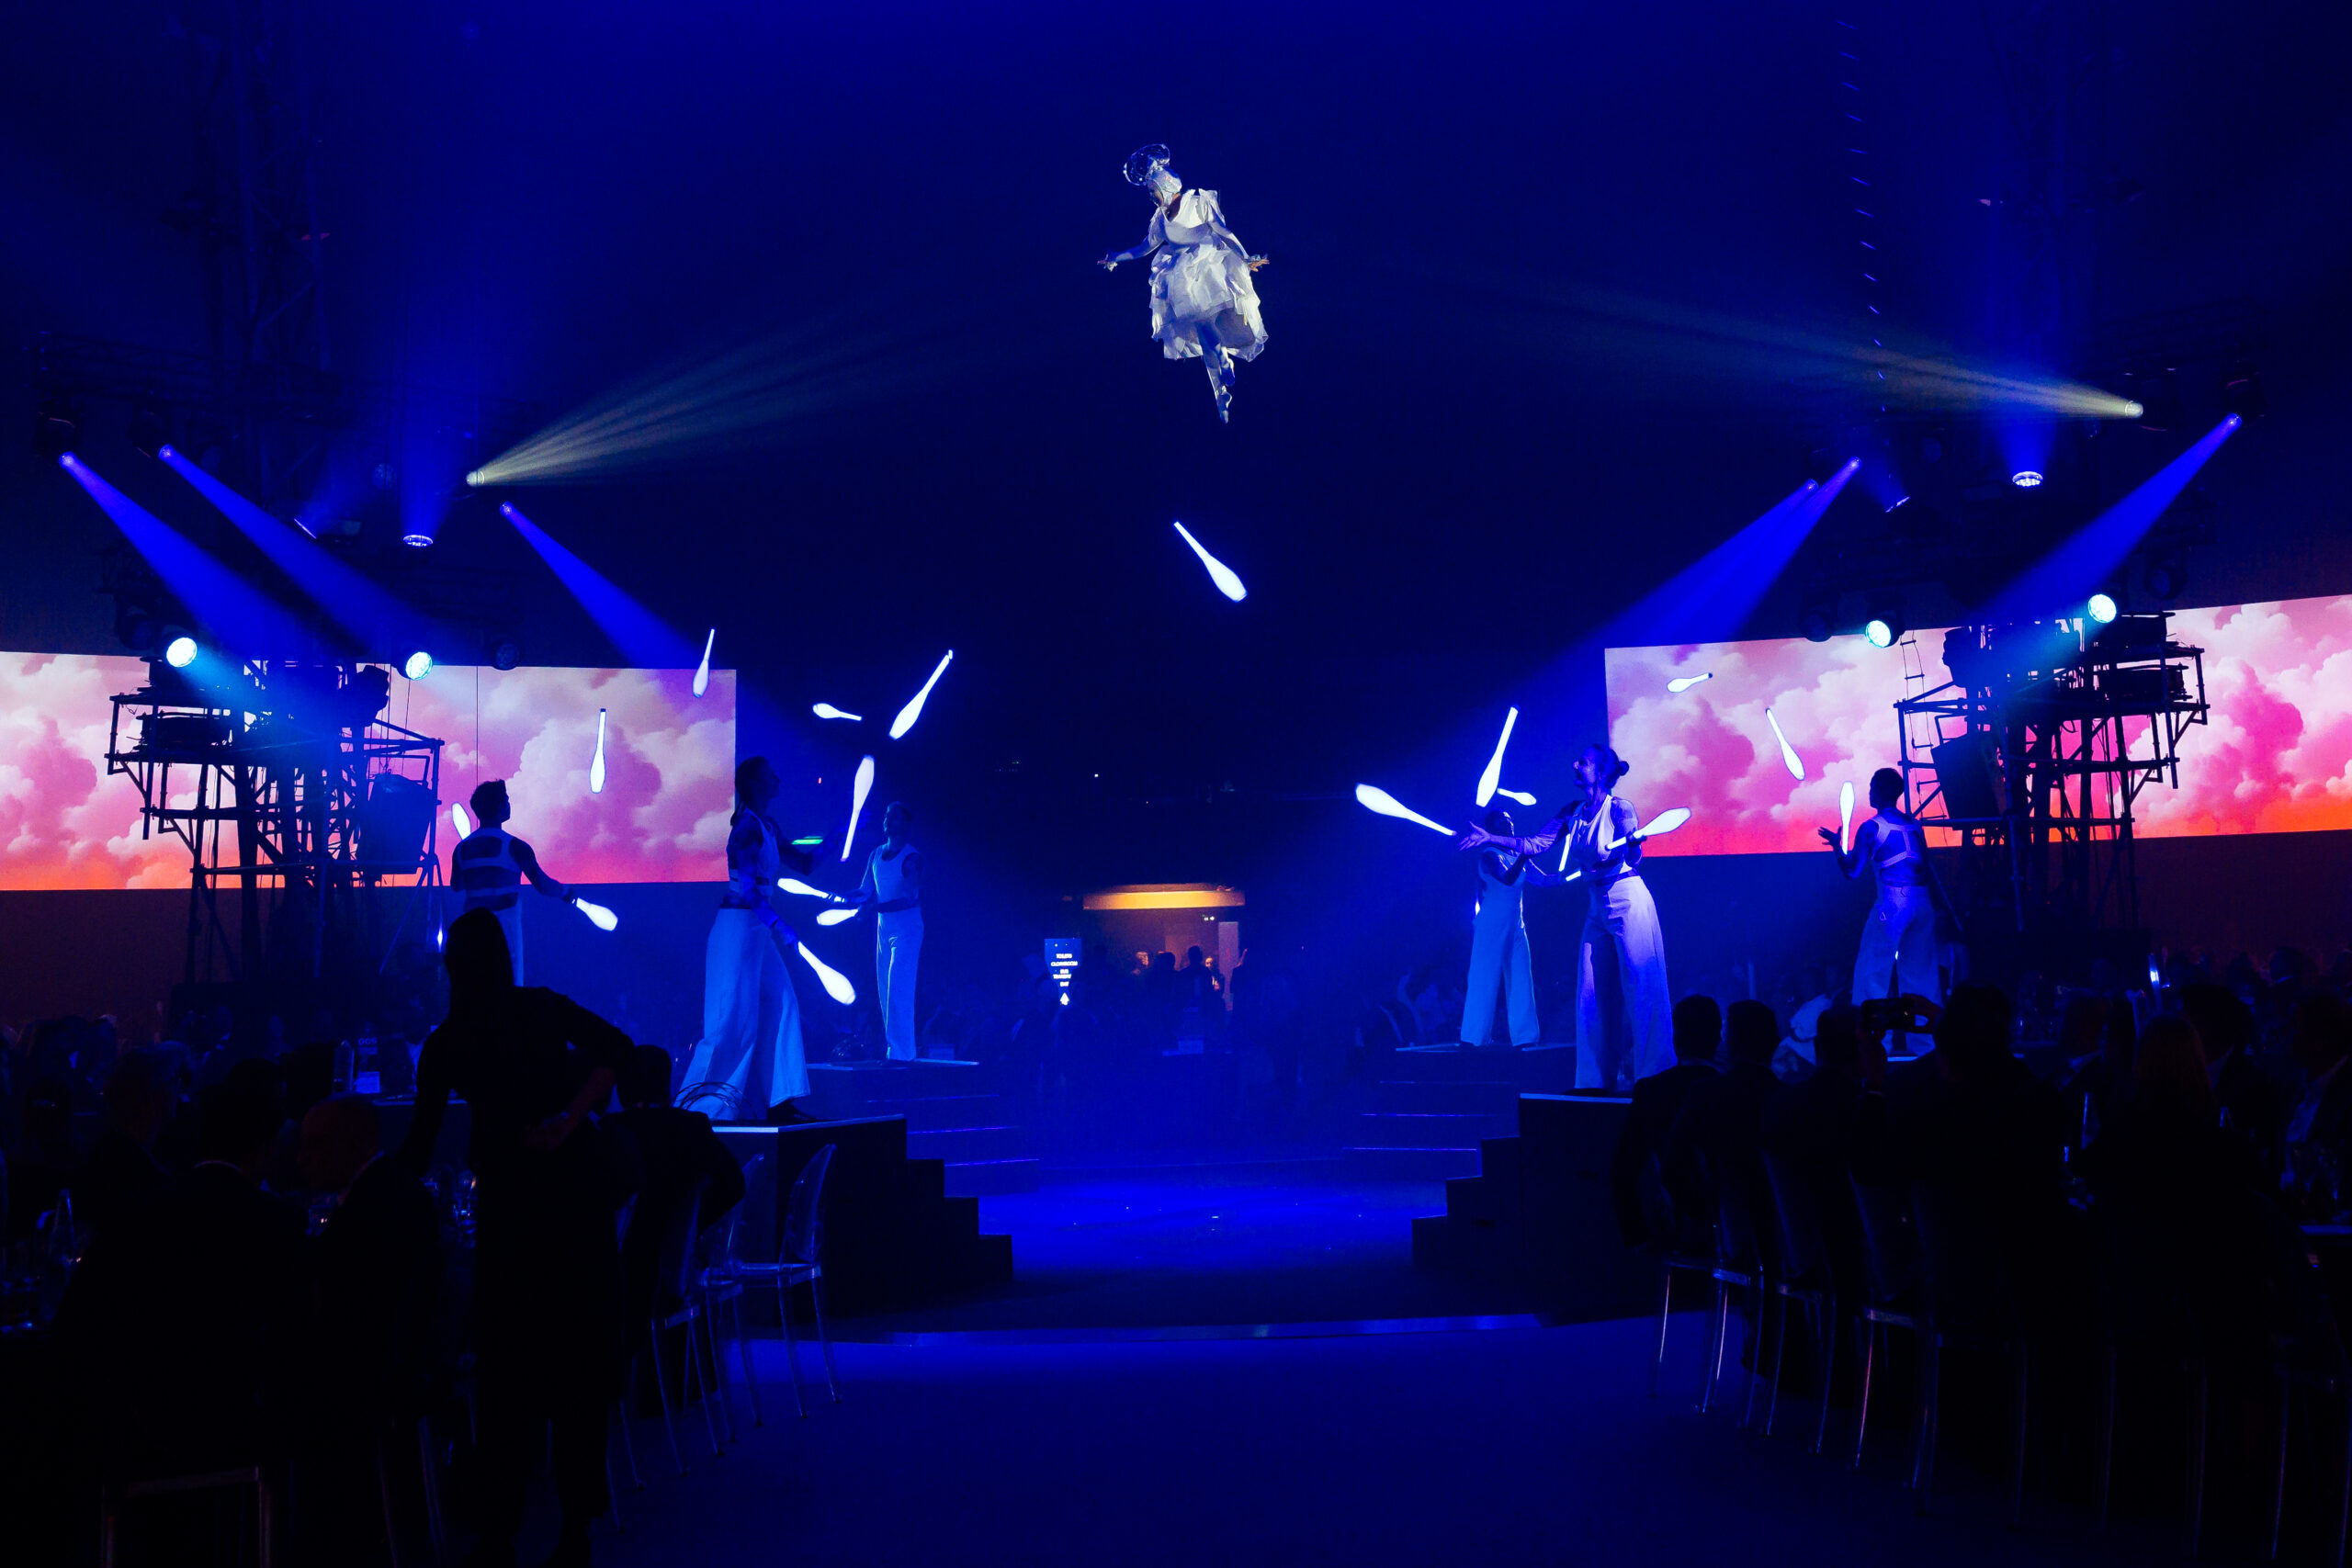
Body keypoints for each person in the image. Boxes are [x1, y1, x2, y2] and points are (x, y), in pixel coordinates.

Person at [399, 908, 634, 1568]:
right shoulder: (542, 1008)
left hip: (511, 1207)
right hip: (576, 1198)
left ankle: (499, 1532)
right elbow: (620, 1049)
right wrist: (568, 1118)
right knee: (578, 1364)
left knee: (507, 1371)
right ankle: (575, 1532)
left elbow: (418, 1147)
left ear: (453, 967)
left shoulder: (448, 1042)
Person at [1460, 742, 1673, 1090]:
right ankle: (1594, 1082)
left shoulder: (1620, 809)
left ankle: (1655, 1077)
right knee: (1590, 995)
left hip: (1627, 897)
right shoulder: (1572, 812)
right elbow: (1535, 844)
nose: (1576, 764)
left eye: (1583, 762)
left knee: (1641, 985)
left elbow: (1634, 859)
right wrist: (1490, 837)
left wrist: (1632, 843)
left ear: (1599, 772)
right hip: (1596, 904)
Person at [297, 1094, 445, 1560]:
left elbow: (344, 1317)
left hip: (368, 1381)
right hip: (405, 1368)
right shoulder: (398, 1191)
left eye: (317, 1144)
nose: (304, 1158)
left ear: (356, 1143)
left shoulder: (368, 1211)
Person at [682, 757, 818, 1123]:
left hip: (756, 928)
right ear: (757, 784)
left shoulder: (767, 826)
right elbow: (746, 889)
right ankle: (699, 1108)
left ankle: (780, 1101)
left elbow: (805, 864)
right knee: (731, 1022)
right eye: (771, 775)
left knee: (782, 1003)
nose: (778, 779)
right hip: (739, 928)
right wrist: (780, 925)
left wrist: (840, 834)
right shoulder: (746, 827)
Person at [1098, 143, 1270, 423]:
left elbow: (1223, 231)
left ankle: (1223, 366)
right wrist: (1116, 256)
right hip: (1182, 278)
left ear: (1166, 186)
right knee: (1203, 332)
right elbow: (1144, 248)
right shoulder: (1160, 220)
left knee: (1205, 325)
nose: (1151, 198)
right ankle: (1221, 390)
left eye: (1153, 192)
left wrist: (1245, 256)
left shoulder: (1197, 203)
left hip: (1209, 268)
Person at [607, 1045, 745, 1334]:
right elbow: (734, 1184)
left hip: (621, 1272)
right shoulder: (692, 1127)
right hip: (675, 1270)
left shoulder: (613, 1130)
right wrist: (688, 1225)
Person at [1821, 768, 1947, 1008]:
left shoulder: (1871, 828)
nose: (1869, 792)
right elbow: (1927, 869)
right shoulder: (1915, 825)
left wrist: (1838, 848)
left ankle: (1871, 1028)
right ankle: (1925, 1030)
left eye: (1871, 787)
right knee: (1922, 975)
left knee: (1873, 970)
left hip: (1892, 904)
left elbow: (1852, 871)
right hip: (1923, 903)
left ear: (1879, 791)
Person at [1609, 995, 1722, 1249]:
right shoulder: (1733, 1090)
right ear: (1718, 1038)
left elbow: (1622, 1169)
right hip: (1740, 1236)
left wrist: (1638, 1237)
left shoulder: (1651, 1091)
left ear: (1676, 1037)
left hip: (1676, 1232)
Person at [452, 779, 579, 985]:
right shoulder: (516, 847)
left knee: (476, 989)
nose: (509, 804)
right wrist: (565, 892)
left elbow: (456, 885)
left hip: (472, 929)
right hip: (504, 931)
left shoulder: (461, 849)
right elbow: (542, 884)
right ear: (499, 806)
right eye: (507, 800)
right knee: (508, 988)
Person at [1459, 808, 1564, 1049]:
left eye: (1510, 820)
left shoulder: (1516, 853)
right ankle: (1474, 1038)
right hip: (1491, 925)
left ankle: (1525, 1037)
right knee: (1485, 978)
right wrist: (1524, 857)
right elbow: (1507, 880)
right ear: (1492, 828)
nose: (1509, 824)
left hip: (1516, 924)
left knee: (1521, 977)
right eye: (1502, 821)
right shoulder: (1490, 855)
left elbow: (1542, 880)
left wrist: (1567, 877)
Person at [73, 1047, 175, 1242]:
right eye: (171, 1083)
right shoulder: (146, 1179)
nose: (177, 1091)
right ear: (153, 1096)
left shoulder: (99, 1154)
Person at [850, 801, 924, 1063]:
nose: (888, 819)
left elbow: (909, 900)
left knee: (898, 988)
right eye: (887, 814)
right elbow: (865, 891)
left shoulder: (911, 858)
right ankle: (896, 1051)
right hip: (884, 930)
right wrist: (842, 899)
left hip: (907, 931)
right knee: (884, 989)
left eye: (895, 816)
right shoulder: (875, 854)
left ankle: (902, 1054)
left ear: (906, 823)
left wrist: (873, 908)